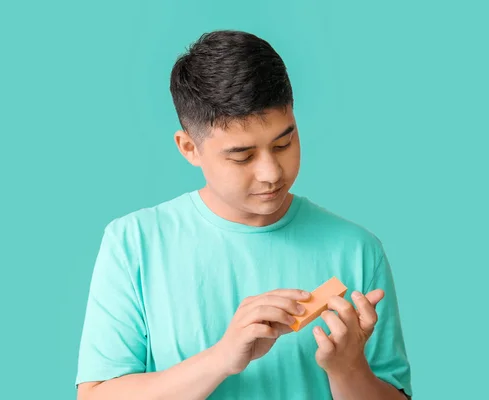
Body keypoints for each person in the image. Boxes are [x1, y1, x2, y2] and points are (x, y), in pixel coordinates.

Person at [74, 30, 413, 400]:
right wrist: (221, 359)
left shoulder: (357, 249)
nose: (271, 172)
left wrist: (348, 369)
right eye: (242, 156)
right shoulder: (134, 243)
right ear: (189, 148)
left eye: (284, 143)